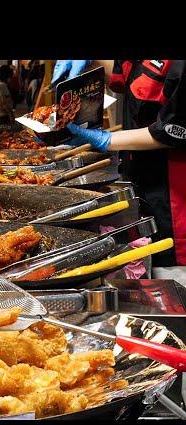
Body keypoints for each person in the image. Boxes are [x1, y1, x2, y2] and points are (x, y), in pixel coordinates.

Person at [52, 59, 186, 279]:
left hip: (175, 204)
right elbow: (121, 74)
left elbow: (174, 130)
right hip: (141, 183)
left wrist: (107, 140)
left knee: (170, 286)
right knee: (143, 269)